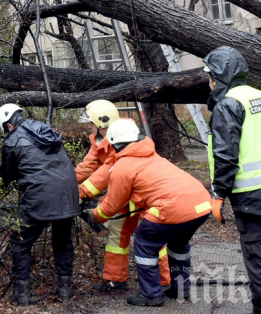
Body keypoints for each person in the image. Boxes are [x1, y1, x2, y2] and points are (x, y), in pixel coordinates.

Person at [92, 119, 211, 306]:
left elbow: (112, 205)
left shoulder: (122, 167)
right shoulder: (153, 156)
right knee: (178, 245)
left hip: (173, 208)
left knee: (145, 241)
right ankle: (180, 287)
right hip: (201, 204)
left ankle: (151, 294)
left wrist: (96, 215)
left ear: (115, 144)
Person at [76, 100, 171, 292]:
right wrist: (65, 181)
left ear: (102, 123)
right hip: (122, 194)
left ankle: (163, 283)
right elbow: (88, 166)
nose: (88, 126)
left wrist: (79, 192)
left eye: (91, 122)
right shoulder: (98, 139)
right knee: (116, 237)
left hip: (143, 196)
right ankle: (116, 280)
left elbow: (105, 172)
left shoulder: (125, 136)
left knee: (153, 240)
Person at [0, 103, 80, 306]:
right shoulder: (47, 131)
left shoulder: (13, 140)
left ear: (8, 125)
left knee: (20, 242)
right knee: (62, 242)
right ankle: (65, 291)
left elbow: (6, 175)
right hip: (68, 195)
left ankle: (22, 294)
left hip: (39, 199)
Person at [205, 46, 261, 314]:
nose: (209, 82)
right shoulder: (257, 97)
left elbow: (226, 156)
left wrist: (217, 194)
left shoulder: (228, 104)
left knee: (257, 258)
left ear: (218, 75)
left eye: (209, 76)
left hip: (251, 197)